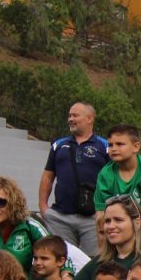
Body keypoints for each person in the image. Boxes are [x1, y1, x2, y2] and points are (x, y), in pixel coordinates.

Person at [38, 102, 109, 256]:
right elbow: (48, 176)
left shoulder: (105, 146)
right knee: (64, 261)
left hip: (92, 218)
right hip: (61, 217)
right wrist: (43, 207)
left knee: (95, 262)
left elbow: (114, 179)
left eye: (75, 115)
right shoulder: (58, 145)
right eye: (69, 115)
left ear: (90, 118)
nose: (70, 119)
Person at [0, 175, 50, 273]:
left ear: (13, 203)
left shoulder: (30, 226)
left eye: (0, 202)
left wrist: (66, 275)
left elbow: (56, 250)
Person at [93, 124, 141, 219]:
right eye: (110, 145)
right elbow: (101, 214)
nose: (113, 149)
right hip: (114, 227)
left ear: (136, 147)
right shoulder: (105, 174)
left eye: (119, 144)